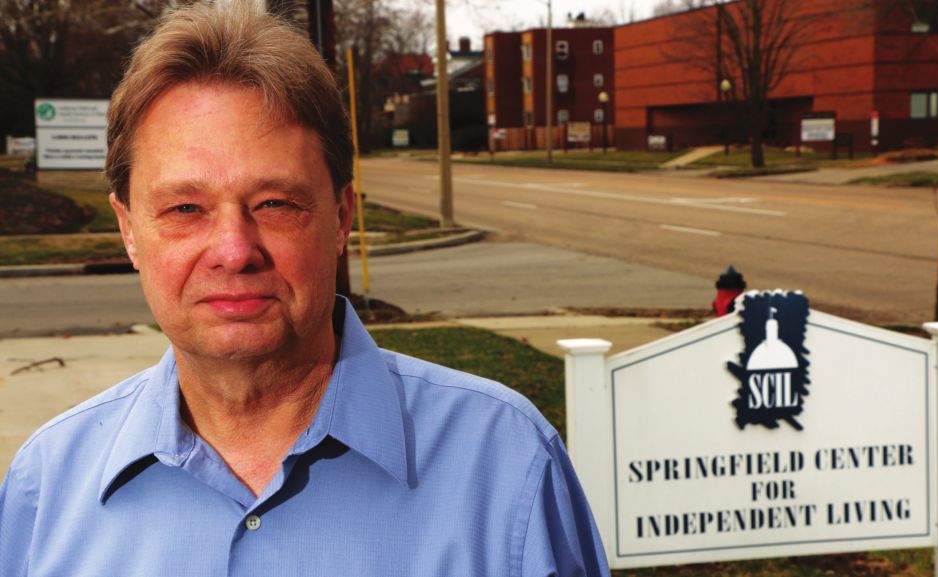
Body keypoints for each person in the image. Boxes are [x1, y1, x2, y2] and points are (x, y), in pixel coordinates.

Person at [0, 3, 609, 576]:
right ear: (129, 231)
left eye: (275, 203)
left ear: (341, 218)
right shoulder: (45, 489)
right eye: (185, 208)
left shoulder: (507, 465)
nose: (235, 250)